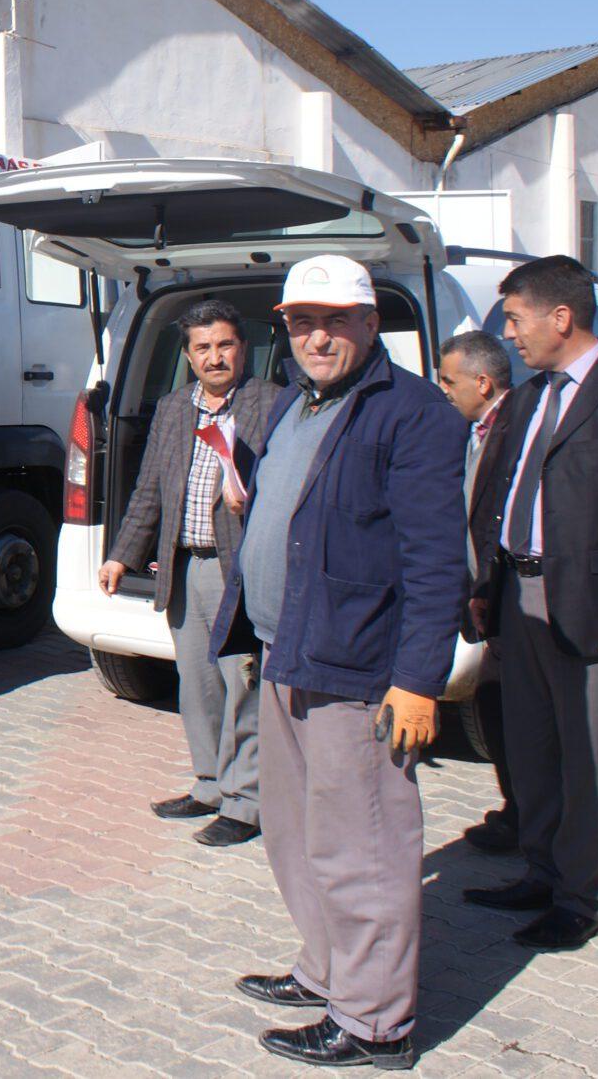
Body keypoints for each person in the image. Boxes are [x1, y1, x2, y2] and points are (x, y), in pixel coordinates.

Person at [211, 254, 465, 1069]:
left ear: (368, 322)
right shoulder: (296, 401)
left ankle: (375, 1022)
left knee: (366, 847)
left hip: (361, 668)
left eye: (333, 320)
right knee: (297, 833)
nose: (315, 336)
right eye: (299, 321)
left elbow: (435, 560)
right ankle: (327, 969)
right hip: (289, 651)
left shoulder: (413, 412)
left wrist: (420, 678)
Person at [464, 256, 598, 951]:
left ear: (561, 316)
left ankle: (586, 897)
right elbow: (499, 495)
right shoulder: (530, 396)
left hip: (592, 606)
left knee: (590, 754)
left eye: (515, 318)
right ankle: (542, 869)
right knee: (532, 748)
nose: (508, 334)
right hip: (519, 597)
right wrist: (484, 587)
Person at [98, 299, 281, 848]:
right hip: (184, 567)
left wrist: (253, 496)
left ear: (243, 349)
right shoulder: (175, 408)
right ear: (188, 355)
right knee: (198, 687)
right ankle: (208, 785)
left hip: (237, 570)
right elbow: (149, 488)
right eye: (203, 347)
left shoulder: (271, 404)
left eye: (225, 345)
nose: (215, 356)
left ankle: (246, 802)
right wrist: (121, 555)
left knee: (243, 685)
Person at [435, 330, 521, 856]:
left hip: (514, 599)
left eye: (449, 380)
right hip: (488, 598)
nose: (442, 389)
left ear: (482, 382)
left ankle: (530, 822)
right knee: (495, 709)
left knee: (511, 713)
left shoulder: (516, 429)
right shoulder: (476, 428)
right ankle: (518, 811)